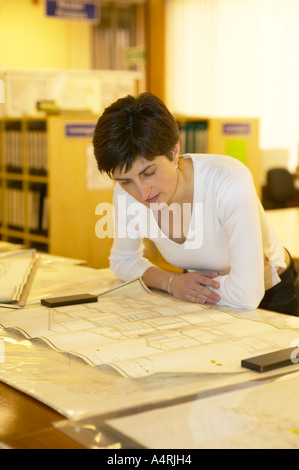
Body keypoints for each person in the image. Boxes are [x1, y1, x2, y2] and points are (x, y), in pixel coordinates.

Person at [93, 92, 299, 315]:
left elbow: (248, 294)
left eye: (149, 172)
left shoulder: (228, 180)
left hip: (274, 297)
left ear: (174, 152)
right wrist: (171, 282)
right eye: (125, 181)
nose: (142, 192)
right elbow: (122, 261)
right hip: (204, 296)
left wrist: (187, 287)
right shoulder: (126, 194)